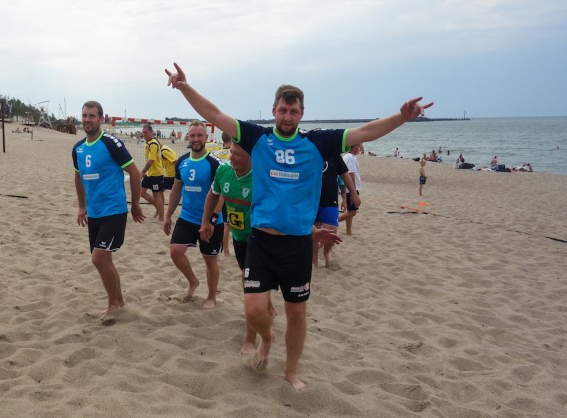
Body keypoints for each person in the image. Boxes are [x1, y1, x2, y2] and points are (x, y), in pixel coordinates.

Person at [165, 62, 433, 390]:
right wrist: (184, 87)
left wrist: (401, 117)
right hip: (261, 239)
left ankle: (291, 371)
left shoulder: (318, 142)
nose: (287, 116)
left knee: (296, 314)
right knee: (254, 309)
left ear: (302, 113)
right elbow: (215, 114)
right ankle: (266, 338)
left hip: (297, 244)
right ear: (273, 111)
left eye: (293, 111)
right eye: (282, 110)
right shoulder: (258, 138)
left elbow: (364, 132)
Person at [200, 142, 277, 354]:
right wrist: (206, 221)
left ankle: (250, 340)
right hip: (240, 236)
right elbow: (213, 194)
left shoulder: (262, 177)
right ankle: (268, 307)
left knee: (248, 283)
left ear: (251, 156)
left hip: (260, 236)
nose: (232, 157)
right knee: (250, 278)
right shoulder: (224, 171)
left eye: (237, 154)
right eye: (231, 153)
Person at [72, 101, 145, 320]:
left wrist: (135, 204)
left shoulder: (111, 143)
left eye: (92, 116)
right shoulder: (78, 148)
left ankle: (113, 305)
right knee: (105, 260)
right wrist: (82, 206)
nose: (87, 120)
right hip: (94, 212)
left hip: (114, 210)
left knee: (98, 258)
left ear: (101, 119)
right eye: (84, 115)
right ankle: (119, 304)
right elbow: (78, 177)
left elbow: (134, 173)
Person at [163, 121, 225, 309]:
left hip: (211, 221)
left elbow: (221, 194)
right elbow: (176, 190)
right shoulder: (182, 161)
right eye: (192, 136)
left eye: (199, 135)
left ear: (206, 138)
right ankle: (193, 281)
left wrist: (212, 220)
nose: (196, 139)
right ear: (187, 138)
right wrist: (168, 215)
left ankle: (211, 297)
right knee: (175, 251)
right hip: (187, 217)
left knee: (210, 260)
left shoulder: (215, 164)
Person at [313, 154, 360, 269]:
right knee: (313, 231)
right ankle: (314, 260)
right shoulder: (309, 149)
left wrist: (353, 194)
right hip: (311, 200)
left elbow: (344, 175)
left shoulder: (334, 154)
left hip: (330, 200)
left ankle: (327, 253)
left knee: (331, 229)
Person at [139, 124, 165, 221]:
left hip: (156, 174)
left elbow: (151, 161)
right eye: (143, 132)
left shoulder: (153, 143)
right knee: (142, 193)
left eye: (146, 132)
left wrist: (142, 172)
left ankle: (161, 217)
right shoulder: (148, 142)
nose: (144, 134)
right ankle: (158, 208)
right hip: (150, 173)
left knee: (156, 195)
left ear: (151, 132)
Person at [213, 132, 233, 256]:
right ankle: (226, 250)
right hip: (230, 190)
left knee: (224, 222)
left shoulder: (216, 153)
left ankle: (225, 250)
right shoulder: (234, 153)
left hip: (218, 189)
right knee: (228, 224)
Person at [338, 145, 362, 236]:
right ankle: (332, 222)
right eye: (358, 146)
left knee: (350, 211)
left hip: (347, 188)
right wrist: (353, 192)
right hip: (350, 189)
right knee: (352, 212)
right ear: (353, 147)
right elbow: (351, 174)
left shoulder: (347, 156)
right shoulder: (351, 158)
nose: (359, 148)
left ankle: (348, 231)